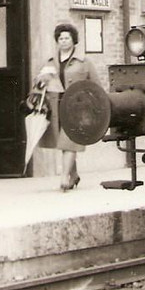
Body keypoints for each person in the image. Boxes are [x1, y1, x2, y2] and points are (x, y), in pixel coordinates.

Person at [29, 22, 99, 191]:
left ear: (74, 40)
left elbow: (96, 85)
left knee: (70, 140)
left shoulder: (84, 62)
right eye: (61, 38)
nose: (64, 41)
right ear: (57, 41)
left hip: (77, 108)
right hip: (56, 106)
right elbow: (38, 84)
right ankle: (74, 175)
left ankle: (64, 178)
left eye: (67, 38)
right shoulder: (50, 62)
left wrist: (93, 105)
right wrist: (41, 81)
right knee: (63, 142)